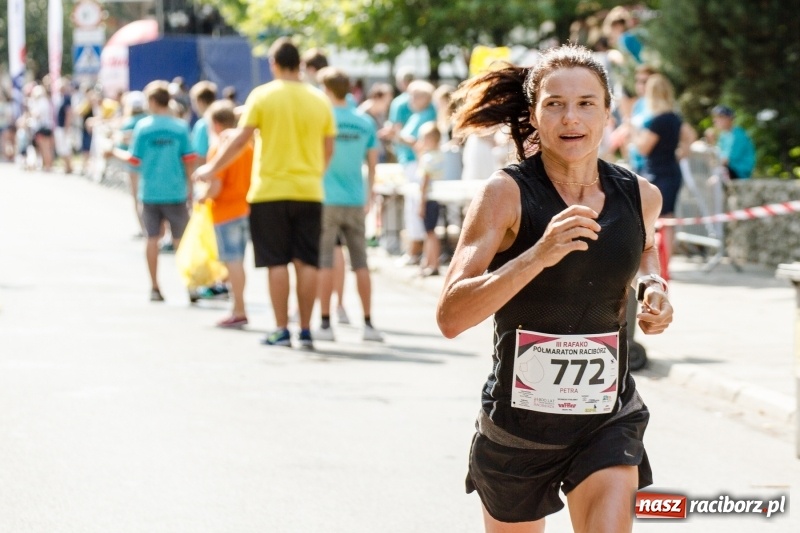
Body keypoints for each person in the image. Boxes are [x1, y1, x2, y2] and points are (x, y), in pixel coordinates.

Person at [437, 44, 673, 531]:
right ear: (534, 114)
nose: (571, 117)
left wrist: (653, 286)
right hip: (519, 428)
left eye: (586, 103)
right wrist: (537, 255)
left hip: (607, 418)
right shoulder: (505, 194)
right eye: (555, 104)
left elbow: (644, 246)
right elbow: (451, 316)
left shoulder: (640, 195)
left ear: (607, 113)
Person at [193, 37, 336, 349]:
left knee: (276, 263)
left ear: (274, 64)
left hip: (269, 192)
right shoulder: (319, 100)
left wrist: (211, 168)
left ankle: (282, 329)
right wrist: (314, 175)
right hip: (309, 191)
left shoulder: (262, 96)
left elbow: (240, 140)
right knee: (307, 262)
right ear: (299, 63)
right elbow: (328, 149)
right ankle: (306, 330)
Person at [314, 66, 384, 343]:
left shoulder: (323, 118)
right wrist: (370, 196)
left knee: (324, 262)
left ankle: (325, 323)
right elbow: (373, 164)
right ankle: (368, 323)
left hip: (326, 199)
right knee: (361, 264)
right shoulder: (364, 122)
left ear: (327, 90)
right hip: (355, 199)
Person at [116, 80, 197, 302]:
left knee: (152, 238)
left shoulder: (143, 127)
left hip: (150, 191)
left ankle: (154, 287)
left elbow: (134, 160)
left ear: (152, 101)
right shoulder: (180, 127)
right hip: (176, 191)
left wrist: (113, 152)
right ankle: (190, 286)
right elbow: (189, 160)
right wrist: (191, 189)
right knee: (181, 240)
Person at [195, 99, 254, 328]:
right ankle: (239, 307)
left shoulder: (219, 148)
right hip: (246, 207)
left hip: (226, 211)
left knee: (232, 262)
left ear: (216, 124)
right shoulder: (247, 146)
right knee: (239, 261)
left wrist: (203, 195)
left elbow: (216, 187)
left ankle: (239, 309)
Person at [635, 73, 697, 272]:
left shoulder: (658, 121)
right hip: (671, 170)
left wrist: (633, 134)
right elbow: (691, 135)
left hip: (657, 173)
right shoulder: (675, 118)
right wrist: (682, 152)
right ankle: (665, 265)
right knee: (667, 218)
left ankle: (655, 265)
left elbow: (643, 148)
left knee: (653, 219)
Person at [416, 121, 445, 277]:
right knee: (430, 232)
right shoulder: (439, 156)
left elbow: (424, 181)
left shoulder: (428, 158)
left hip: (428, 198)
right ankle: (429, 262)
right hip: (435, 197)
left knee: (430, 232)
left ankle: (433, 264)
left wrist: (421, 203)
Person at [711, 104, 756, 180]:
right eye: (716, 117)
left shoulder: (738, 135)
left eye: (720, 117)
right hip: (728, 170)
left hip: (739, 173)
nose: (715, 120)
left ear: (729, 118)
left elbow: (726, 160)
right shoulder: (723, 135)